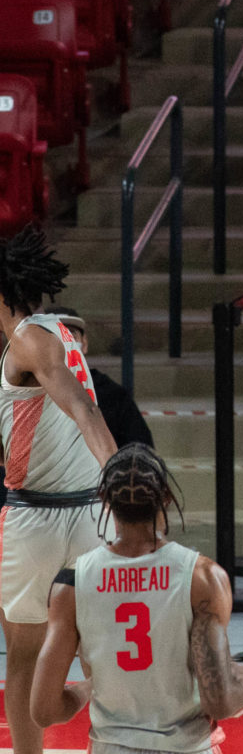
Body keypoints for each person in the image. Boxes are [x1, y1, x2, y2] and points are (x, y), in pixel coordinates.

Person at [31, 442, 243, 754]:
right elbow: (219, 701)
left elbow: (44, 710)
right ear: (166, 496)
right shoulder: (203, 577)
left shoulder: (71, 584)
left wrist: (86, 689)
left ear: (104, 499)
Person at [0, 224, 117, 754]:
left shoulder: (27, 338)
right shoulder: (59, 332)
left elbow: (83, 408)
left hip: (37, 518)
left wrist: (119, 475)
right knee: (100, 652)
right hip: (90, 511)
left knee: (24, 657)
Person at [46, 305, 155, 449]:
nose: (64, 342)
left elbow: (140, 451)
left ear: (84, 344)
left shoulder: (113, 396)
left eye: (71, 334)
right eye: (53, 335)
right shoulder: (23, 395)